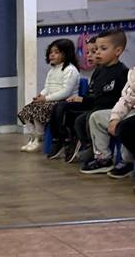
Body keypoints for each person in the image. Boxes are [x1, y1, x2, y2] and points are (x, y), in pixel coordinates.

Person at [47, 29, 128, 162]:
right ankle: (72, 141)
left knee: (85, 118)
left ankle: (94, 149)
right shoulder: (100, 70)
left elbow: (120, 100)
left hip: (108, 110)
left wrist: (84, 100)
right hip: (94, 106)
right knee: (67, 112)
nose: (97, 53)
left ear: (118, 51)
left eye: (102, 49)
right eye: (96, 49)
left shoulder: (122, 72)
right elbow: (95, 94)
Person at [17, 38, 80, 152]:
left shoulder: (70, 70)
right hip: (50, 100)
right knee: (26, 110)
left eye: (56, 52)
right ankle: (33, 137)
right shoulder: (52, 71)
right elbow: (47, 87)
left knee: (38, 111)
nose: (52, 55)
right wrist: (40, 95)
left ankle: (39, 138)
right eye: (51, 52)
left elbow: (65, 92)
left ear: (66, 54)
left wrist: (45, 98)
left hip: (64, 102)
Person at [81, 63, 135, 178]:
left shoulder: (121, 71)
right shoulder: (133, 72)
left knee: (127, 125)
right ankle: (103, 159)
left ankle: (128, 161)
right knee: (96, 117)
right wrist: (115, 118)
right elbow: (126, 99)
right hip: (128, 110)